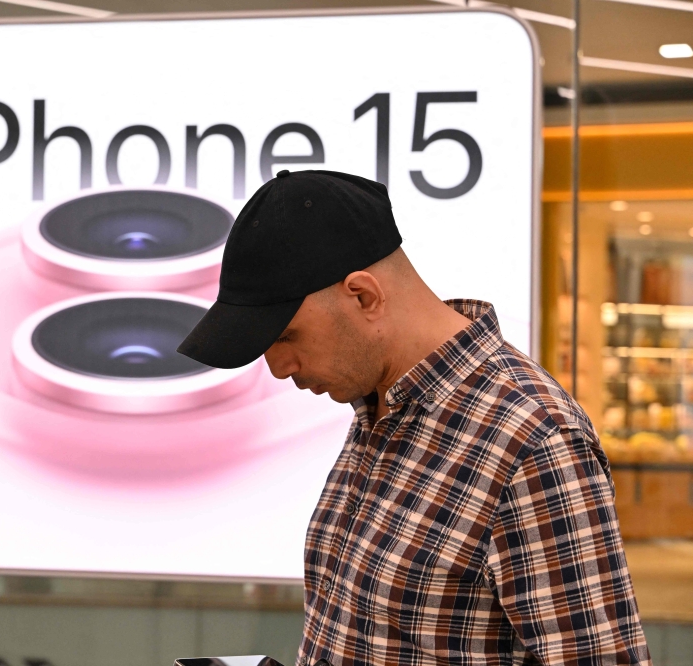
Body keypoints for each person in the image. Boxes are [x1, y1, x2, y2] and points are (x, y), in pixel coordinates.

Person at [178, 170, 649, 665]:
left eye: (287, 337)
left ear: (363, 296)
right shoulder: (377, 406)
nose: (277, 368)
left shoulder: (533, 440)